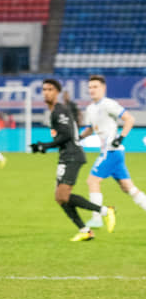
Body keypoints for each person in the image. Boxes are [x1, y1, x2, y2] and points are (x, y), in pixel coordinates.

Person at [30, 78, 116, 242]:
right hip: (65, 156)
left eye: (50, 89)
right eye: (44, 89)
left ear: (57, 92)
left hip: (72, 156)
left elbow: (67, 135)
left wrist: (45, 146)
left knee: (62, 195)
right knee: (60, 198)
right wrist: (43, 146)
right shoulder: (55, 111)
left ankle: (106, 211)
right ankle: (85, 230)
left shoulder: (59, 110)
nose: (46, 92)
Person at [79, 75, 146, 228]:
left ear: (103, 88)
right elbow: (90, 128)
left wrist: (121, 138)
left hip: (111, 151)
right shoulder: (90, 108)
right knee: (128, 187)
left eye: (95, 87)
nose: (92, 90)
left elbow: (129, 119)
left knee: (92, 181)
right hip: (113, 153)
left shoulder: (109, 104)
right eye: (90, 87)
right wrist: (79, 137)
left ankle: (96, 217)